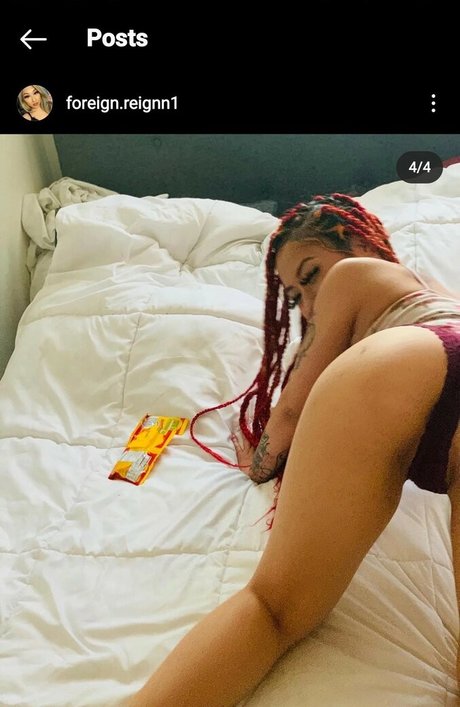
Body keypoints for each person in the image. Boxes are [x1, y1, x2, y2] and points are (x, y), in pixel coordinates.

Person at [128, 194, 460, 706]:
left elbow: (291, 409)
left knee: (274, 608)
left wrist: (258, 461)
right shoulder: (433, 289)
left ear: (360, 241)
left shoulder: (352, 275)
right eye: (293, 296)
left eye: (310, 275)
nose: (306, 305)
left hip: (406, 359)